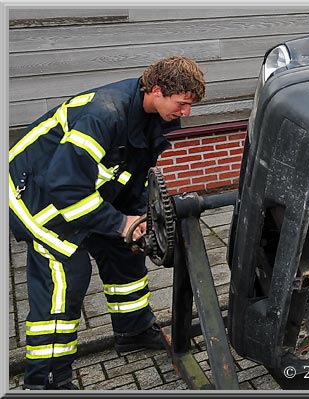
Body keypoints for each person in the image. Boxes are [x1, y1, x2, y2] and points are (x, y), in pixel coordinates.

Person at [8, 56, 206, 390]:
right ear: (157, 90)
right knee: (68, 276)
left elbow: (133, 175)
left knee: (126, 250)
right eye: (182, 104)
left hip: (74, 187)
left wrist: (134, 220)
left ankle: (134, 331)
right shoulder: (104, 114)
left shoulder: (149, 117)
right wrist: (118, 221)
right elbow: (66, 186)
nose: (186, 113)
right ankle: (45, 382)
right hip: (36, 195)